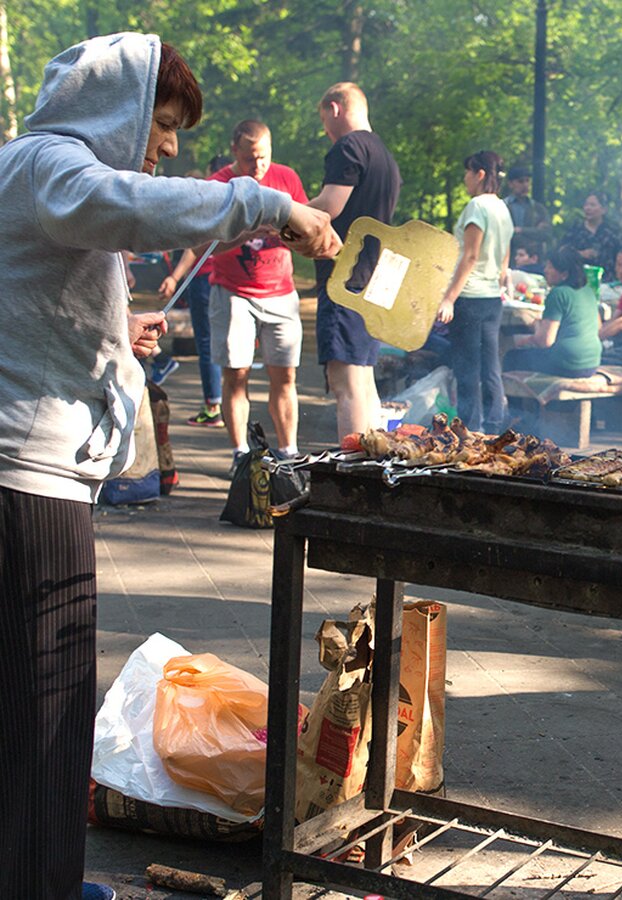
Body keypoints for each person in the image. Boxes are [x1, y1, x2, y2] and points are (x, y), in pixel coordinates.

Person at [0, 33, 337, 900]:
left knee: (24, 695)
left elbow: (37, 308)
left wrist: (119, 338)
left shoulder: (32, 169)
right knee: (50, 704)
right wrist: (266, 204)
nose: (171, 145)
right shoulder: (51, 164)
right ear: (111, 108)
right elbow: (128, 204)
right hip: (28, 480)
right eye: (162, 121)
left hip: (24, 462)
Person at [199, 121, 309, 468]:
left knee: (285, 375)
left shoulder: (286, 179)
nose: (258, 166)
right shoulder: (217, 186)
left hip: (281, 293)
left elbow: (307, 229)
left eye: (264, 157)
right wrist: (247, 233)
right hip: (233, 293)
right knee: (237, 374)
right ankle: (240, 456)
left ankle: (289, 451)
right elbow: (204, 246)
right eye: (250, 159)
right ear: (235, 152)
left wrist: (289, 232)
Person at [308, 82, 402, 439]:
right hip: (376, 277)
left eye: (323, 119)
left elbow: (329, 206)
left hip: (344, 277)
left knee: (345, 382)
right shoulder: (385, 156)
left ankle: (352, 468)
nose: (325, 130)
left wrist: (285, 212)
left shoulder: (348, 147)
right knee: (363, 376)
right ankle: (372, 463)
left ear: (335, 108)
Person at [436, 151, 514, 431]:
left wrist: (448, 298)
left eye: (468, 172)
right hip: (492, 299)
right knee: (491, 365)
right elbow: (505, 253)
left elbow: (470, 256)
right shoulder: (503, 207)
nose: (465, 178)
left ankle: (469, 430)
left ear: (480, 174)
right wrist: (502, 279)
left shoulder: (477, 207)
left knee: (467, 368)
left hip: (470, 298)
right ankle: (494, 425)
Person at [158, 153, 232, 427]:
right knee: (225, 344)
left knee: (207, 341)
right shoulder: (235, 205)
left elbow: (193, 247)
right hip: (224, 280)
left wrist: (175, 278)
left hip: (204, 279)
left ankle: (214, 404)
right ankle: (223, 402)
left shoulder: (211, 204)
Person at [504, 246, 601, 378]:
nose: (545, 271)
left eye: (550, 267)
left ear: (564, 274)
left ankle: (512, 398)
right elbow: (598, 327)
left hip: (568, 363)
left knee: (511, 357)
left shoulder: (558, 294)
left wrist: (521, 340)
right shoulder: (588, 291)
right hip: (592, 362)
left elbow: (545, 341)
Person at [561, 190, 622, 281]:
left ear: (604, 209)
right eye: (586, 205)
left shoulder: (613, 232)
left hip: (608, 281)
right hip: (579, 282)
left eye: (592, 205)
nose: (588, 208)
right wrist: (580, 254)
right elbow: (561, 253)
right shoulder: (575, 231)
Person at [503, 165, 551, 258]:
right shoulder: (503, 206)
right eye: (520, 181)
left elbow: (546, 233)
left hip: (532, 259)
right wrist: (533, 232)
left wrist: (520, 230)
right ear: (510, 184)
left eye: (527, 181)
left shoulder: (538, 208)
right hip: (508, 258)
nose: (525, 185)